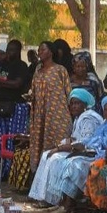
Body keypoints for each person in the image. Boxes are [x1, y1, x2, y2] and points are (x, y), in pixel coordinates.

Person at [29, 89, 103, 208]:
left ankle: (56, 200)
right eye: (72, 103)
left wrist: (59, 148)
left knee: (56, 158)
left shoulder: (88, 118)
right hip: (79, 151)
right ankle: (45, 197)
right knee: (46, 154)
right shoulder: (79, 117)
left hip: (90, 153)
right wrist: (62, 144)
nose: (74, 106)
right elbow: (74, 138)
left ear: (85, 104)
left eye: (77, 103)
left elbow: (84, 143)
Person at [54, 95, 107, 213]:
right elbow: (94, 138)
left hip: (103, 154)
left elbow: (106, 143)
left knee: (75, 165)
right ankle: (65, 203)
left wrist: (88, 145)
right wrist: (83, 144)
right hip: (93, 151)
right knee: (67, 162)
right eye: (105, 109)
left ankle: (69, 204)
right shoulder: (105, 122)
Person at [29, 41, 72, 173]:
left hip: (57, 115)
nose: (39, 52)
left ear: (51, 52)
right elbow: (33, 90)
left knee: (57, 143)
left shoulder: (60, 70)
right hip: (40, 114)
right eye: (39, 50)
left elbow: (69, 92)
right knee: (39, 143)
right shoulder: (37, 70)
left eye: (42, 50)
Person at [0, 39, 31, 178]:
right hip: (0, 105)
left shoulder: (22, 66)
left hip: (17, 106)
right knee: (1, 139)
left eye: (12, 50)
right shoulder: (1, 66)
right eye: (8, 49)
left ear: (18, 51)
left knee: (14, 139)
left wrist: (3, 83)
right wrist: (7, 83)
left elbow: (17, 84)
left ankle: (14, 172)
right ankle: (3, 171)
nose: (9, 52)